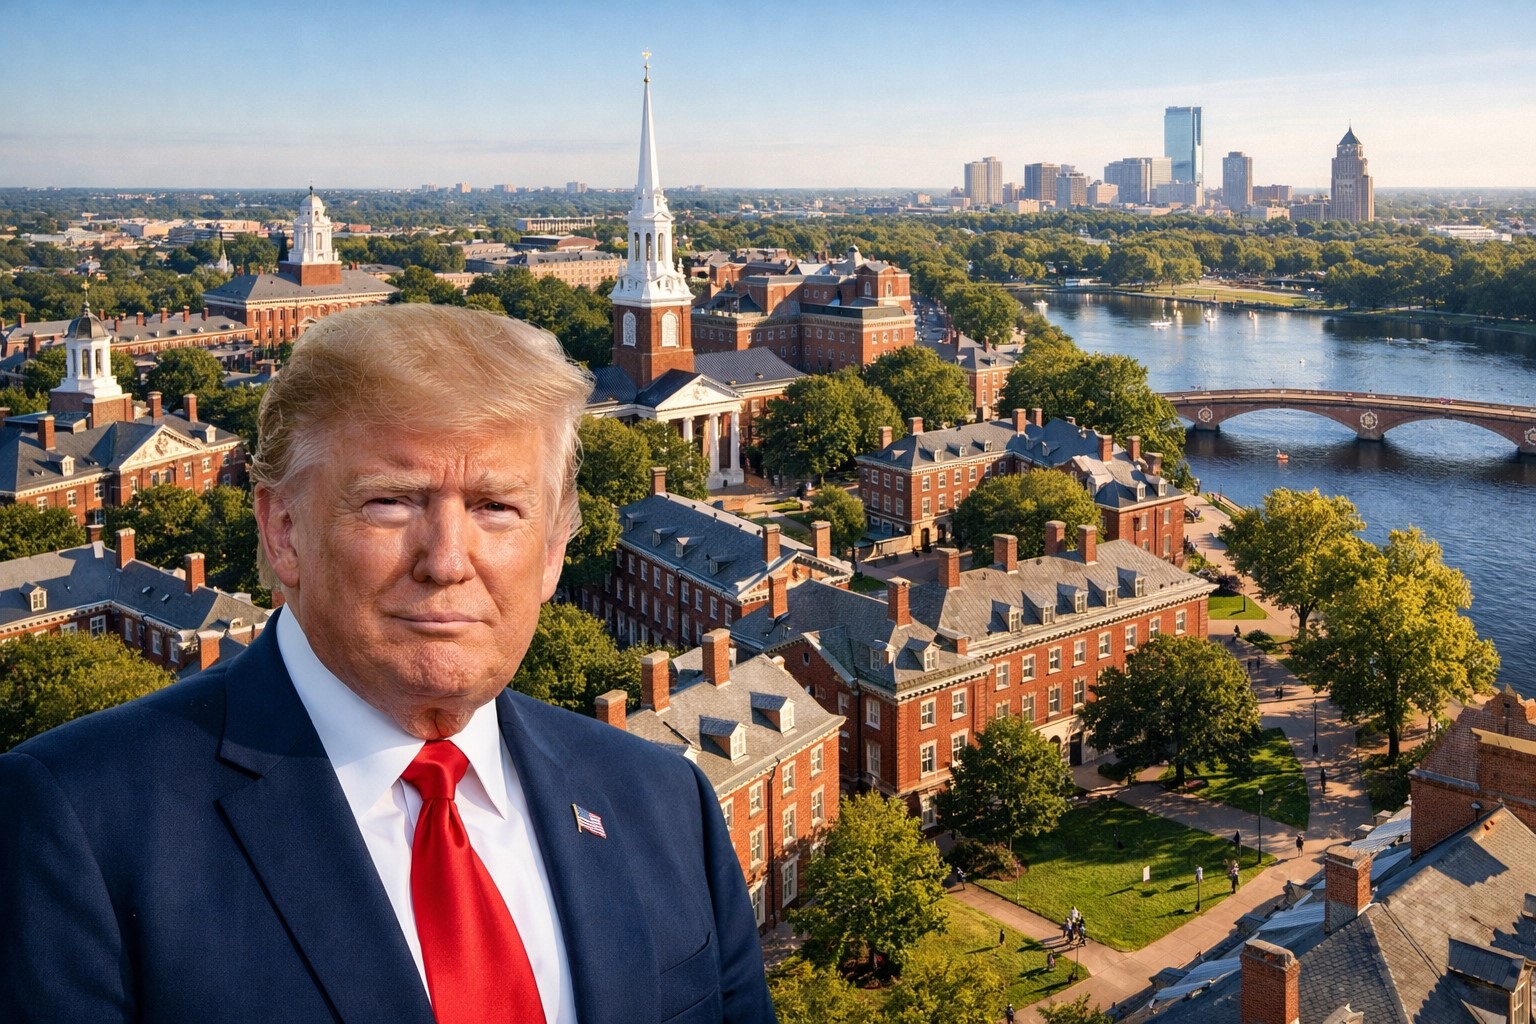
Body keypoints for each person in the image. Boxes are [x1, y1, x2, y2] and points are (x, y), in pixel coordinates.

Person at [0, 306, 775, 1023]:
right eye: (390, 502)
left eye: (495, 507)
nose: (446, 561)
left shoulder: (662, 800)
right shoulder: (77, 824)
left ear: (551, 552)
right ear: (284, 532)